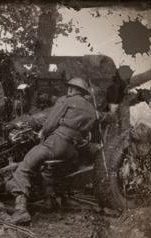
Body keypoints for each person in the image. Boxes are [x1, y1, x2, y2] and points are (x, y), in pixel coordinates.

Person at [6, 77, 97, 224]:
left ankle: (21, 210)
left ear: (75, 90)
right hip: (73, 150)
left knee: (24, 166)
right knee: (49, 169)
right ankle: (50, 201)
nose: (68, 90)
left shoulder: (66, 100)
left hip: (57, 142)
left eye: (70, 87)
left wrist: (43, 133)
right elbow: (87, 132)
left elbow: (50, 123)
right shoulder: (91, 109)